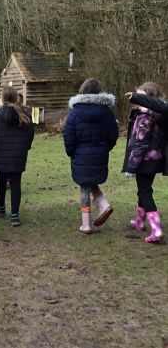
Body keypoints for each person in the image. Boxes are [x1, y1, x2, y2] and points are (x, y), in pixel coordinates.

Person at [64, 78, 118, 233]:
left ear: (82, 91)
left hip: (81, 154)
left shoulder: (74, 113)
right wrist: (105, 148)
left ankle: (86, 224)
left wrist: (72, 152)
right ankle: (103, 205)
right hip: (100, 153)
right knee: (89, 181)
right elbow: (113, 135)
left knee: (84, 187)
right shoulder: (107, 112)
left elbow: (69, 137)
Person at [123, 82, 167, 243]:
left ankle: (156, 229)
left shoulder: (144, 117)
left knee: (145, 192)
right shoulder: (159, 115)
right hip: (155, 159)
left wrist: (131, 166)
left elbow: (140, 143)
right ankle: (139, 222)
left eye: (141, 97)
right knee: (143, 189)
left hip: (144, 160)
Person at [0, 86, 34, 226]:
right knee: (15, 183)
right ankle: (14, 215)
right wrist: (24, 149)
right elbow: (30, 135)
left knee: (1, 181)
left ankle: (1, 207)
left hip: (0, 155)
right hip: (18, 155)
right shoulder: (26, 115)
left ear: (3, 98)